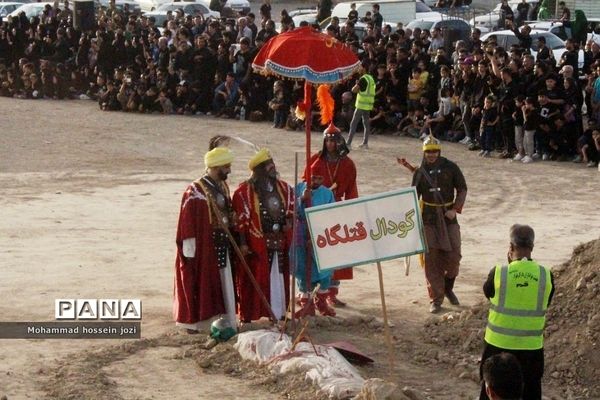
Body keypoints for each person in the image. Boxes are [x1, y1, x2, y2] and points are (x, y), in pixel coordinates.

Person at [479, 224, 555, 400]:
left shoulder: (499, 273)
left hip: (497, 347)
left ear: (510, 248)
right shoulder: (546, 275)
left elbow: (489, 293)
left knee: (493, 391)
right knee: (530, 392)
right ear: (532, 248)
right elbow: (547, 301)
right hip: (531, 350)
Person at [173, 146, 237, 333]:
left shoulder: (222, 186)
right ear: (217, 167)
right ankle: (195, 323)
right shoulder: (195, 190)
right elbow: (188, 221)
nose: (229, 170)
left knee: (221, 283)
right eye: (226, 167)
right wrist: (190, 249)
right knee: (199, 281)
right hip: (203, 245)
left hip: (222, 242)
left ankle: (222, 319)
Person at [232, 148, 294, 323]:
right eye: (267, 165)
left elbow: (290, 211)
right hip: (257, 243)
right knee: (254, 280)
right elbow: (241, 222)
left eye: (272, 163)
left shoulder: (284, 188)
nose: (272, 167)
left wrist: (289, 221)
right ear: (259, 169)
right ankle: (250, 315)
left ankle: (279, 312)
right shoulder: (244, 192)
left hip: (279, 240)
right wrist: (243, 243)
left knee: (278, 277)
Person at [411, 135, 467, 313]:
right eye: (428, 152)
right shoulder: (420, 172)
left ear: (439, 151)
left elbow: (462, 188)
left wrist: (455, 208)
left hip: (448, 217)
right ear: (424, 153)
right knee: (432, 258)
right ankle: (436, 298)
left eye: (434, 151)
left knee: (454, 256)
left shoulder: (450, 167)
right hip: (428, 218)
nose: (431, 155)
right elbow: (412, 196)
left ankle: (448, 287)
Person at [305, 123, 359, 307]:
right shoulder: (315, 162)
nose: (329, 144)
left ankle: (332, 292)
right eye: (326, 140)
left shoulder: (348, 164)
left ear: (339, 142)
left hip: (338, 212)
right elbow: (305, 186)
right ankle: (310, 291)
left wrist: (352, 209)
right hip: (319, 211)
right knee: (315, 252)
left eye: (333, 140)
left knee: (339, 252)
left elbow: (351, 189)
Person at [292, 161, 337, 317]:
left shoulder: (327, 193)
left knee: (323, 269)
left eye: (319, 178)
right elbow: (290, 210)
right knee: (303, 269)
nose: (316, 181)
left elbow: (332, 215)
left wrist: (318, 236)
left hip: (321, 235)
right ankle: (306, 303)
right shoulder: (297, 189)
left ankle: (321, 302)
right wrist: (301, 200)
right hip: (301, 233)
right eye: (313, 178)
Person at [347, 60, 376, 149]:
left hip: (361, 105)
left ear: (363, 68)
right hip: (368, 105)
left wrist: (356, 85)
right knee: (366, 124)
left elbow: (354, 90)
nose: (359, 69)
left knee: (353, 124)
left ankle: (348, 144)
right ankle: (365, 143)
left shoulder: (363, 79)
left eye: (360, 67)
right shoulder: (370, 78)